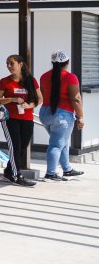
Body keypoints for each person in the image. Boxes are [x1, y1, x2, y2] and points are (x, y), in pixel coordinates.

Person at [39, 50, 85, 181]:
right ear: (67, 62)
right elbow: (76, 99)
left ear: (52, 62)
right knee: (56, 144)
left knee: (61, 141)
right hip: (62, 115)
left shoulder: (44, 76)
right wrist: (81, 116)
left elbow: (43, 94)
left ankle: (67, 169)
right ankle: (50, 174)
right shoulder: (70, 77)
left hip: (45, 113)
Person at [0, 54, 40, 186]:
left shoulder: (31, 80)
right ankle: (16, 176)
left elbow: (39, 99)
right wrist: (12, 99)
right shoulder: (4, 81)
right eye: (7, 63)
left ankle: (9, 171)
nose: (9, 66)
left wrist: (30, 105)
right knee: (15, 146)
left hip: (27, 118)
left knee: (22, 147)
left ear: (20, 64)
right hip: (10, 118)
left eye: (11, 63)